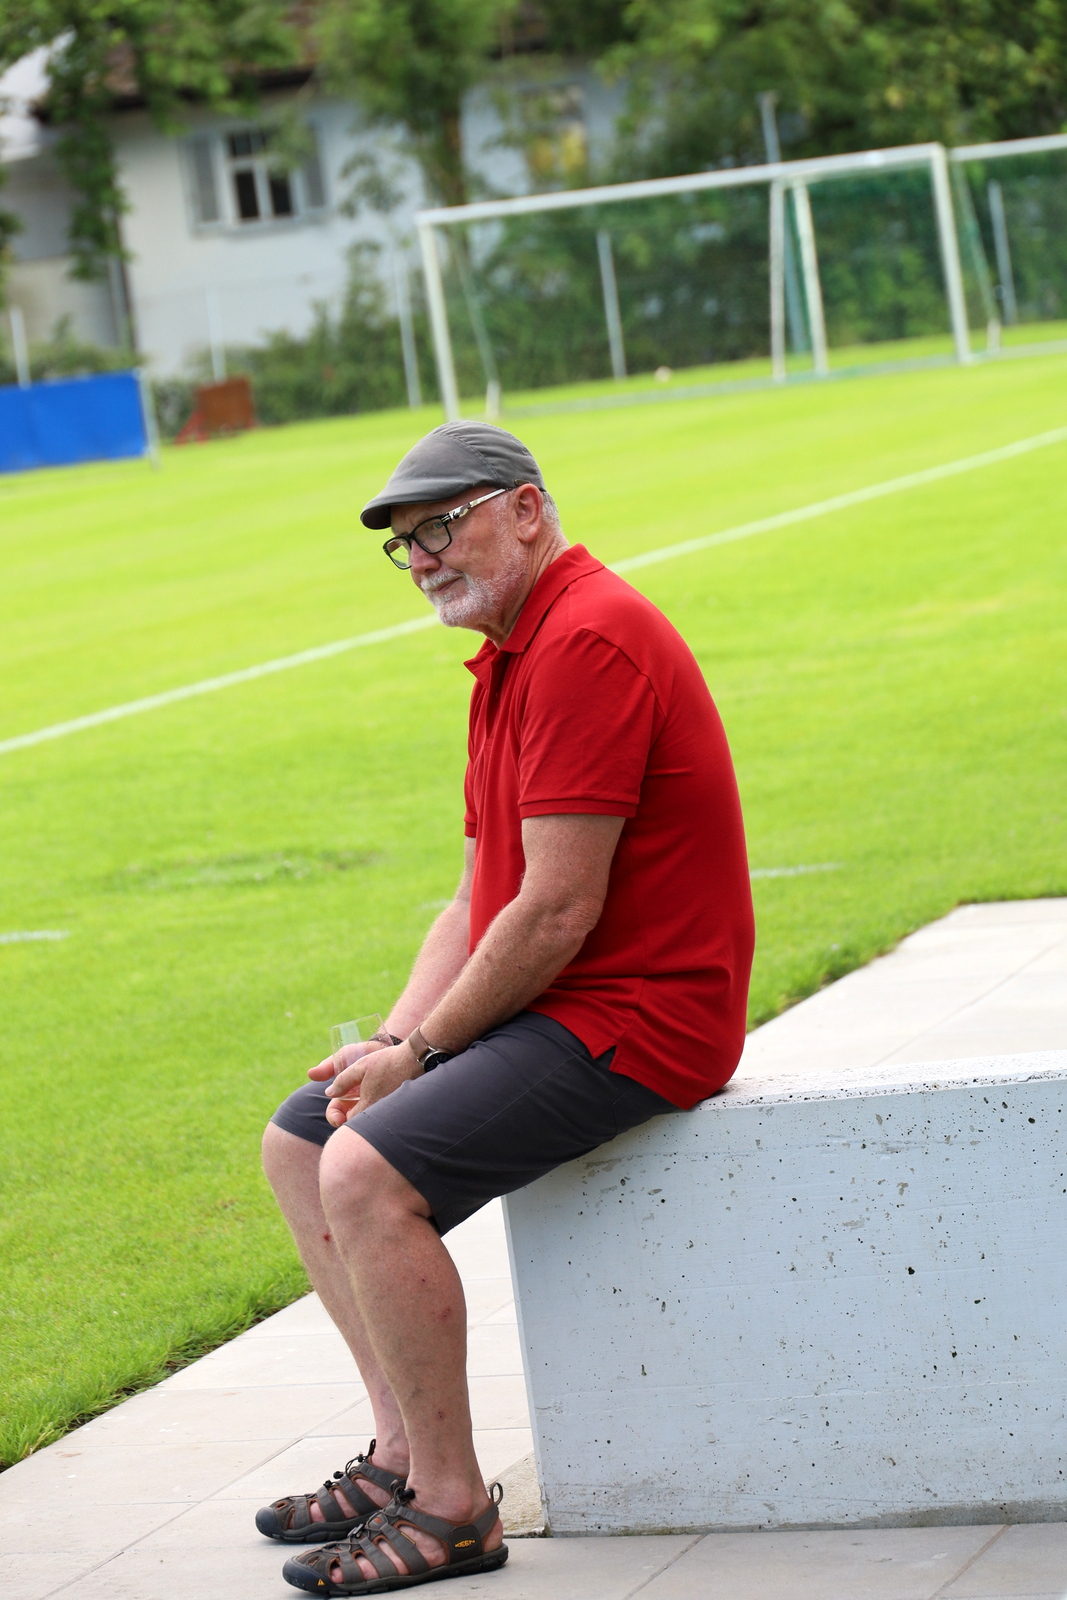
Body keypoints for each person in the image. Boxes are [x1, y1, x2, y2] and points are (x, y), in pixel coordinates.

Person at [260, 421, 755, 1596]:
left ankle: (450, 1507)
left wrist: (426, 1049)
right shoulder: (514, 651)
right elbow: (472, 896)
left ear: (525, 510)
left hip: (641, 1015)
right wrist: (390, 1042)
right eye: (405, 542)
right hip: (560, 1003)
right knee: (303, 1138)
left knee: (362, 1171)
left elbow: (554, 911)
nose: (423, 556)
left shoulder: (586, 638)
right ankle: (398, 1452)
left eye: (442, 525)